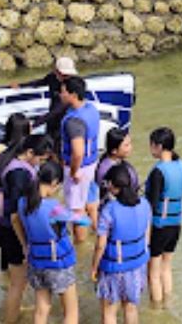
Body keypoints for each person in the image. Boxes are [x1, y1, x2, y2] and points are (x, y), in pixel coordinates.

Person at [12, 160, 89, 324]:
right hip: (58, 264)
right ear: (54, 183)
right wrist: (81, 210)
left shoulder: (22, 203)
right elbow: (83, 221)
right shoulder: (54, 207)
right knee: (71, 312)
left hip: (36, 262)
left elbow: (15, 220)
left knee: (41, 310)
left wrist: (25, 246)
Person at [0, 134, 53, 324]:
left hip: (0, 227)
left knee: (15, 280)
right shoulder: (18, 174)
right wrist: (25, 244)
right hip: (12, 231)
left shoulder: (5, 157)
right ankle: (10, 319)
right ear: (30, 152)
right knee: (18, 284)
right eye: (40, 160)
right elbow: (16, 215)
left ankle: (13, 312)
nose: (40, 165)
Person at [91, 164, 152, 324]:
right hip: (137, 266)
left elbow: (100, 245)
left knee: (109, 312)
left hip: (114, 268)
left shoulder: (109, 210)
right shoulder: (145, 204)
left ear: (112, 185)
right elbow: (147, 236)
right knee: (131, 308)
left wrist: (94, 267)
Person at [145, 126, 182, 303]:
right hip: (175, 224)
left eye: (152, 145)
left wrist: (146, 235)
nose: (150, 148)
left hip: (159, 226)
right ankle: (167, 303)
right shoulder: (181, 165)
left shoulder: (158, 172)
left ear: (159, 146)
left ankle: (156, 311)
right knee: (166, 268)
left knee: (153, 274)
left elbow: (151, 206)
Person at [59, 76, 99, 242]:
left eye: (63, 92)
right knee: (91, 203)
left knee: (76, 211)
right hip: (92, 164)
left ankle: (80, 246)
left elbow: (78, 152)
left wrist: (74, 172)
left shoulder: (73, 121)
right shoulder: (90, 108)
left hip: (79, 169)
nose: (60, 95)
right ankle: (98, 234)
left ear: (73, 95)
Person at [12, 56, 78, 148]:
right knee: (48, 139)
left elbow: (57, 110)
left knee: (58, 142)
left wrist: (35, 124)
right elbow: (39, 82)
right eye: (64, 74)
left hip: (64, 119)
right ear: (56, 71)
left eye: (68, 75)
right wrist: (21, 85)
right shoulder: (52, 77)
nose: (66, 77)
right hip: (51, 117)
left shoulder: (72, 85)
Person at [93, 128, 141, 211]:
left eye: (130, 144)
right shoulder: (106, 170)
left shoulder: (119, 162)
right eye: (126, 145)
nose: (130, 148)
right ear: (114, 151)